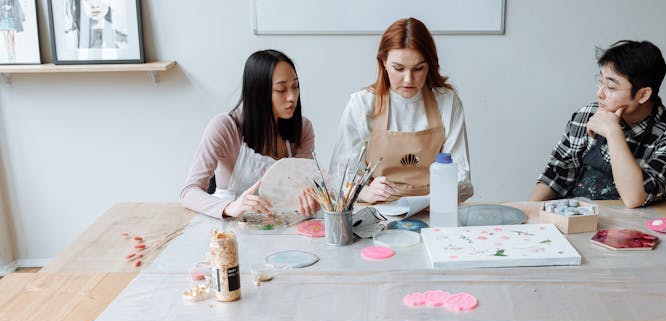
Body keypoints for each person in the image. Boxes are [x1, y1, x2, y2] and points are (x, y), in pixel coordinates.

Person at [530, 40, 666, 208]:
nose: (599, 94)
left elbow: (635, 197)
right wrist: (528, 214)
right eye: (600, 82)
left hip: (635, 227)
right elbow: (556, 174)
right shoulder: (587, 114)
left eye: (610, 86)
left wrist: (614, 133)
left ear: (643, 94)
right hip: (574, 218)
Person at [330, 17, 473, 204]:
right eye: (398, 68)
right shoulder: (362, 104)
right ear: (383, 63)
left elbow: (461, 175)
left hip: (436, 206)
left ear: (429, 65)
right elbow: (339, 177)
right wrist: (366, 193)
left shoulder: (447, 102)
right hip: (379, 211)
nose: (408, 79)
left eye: (418, 68)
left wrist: (432, 198)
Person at [180, 49, 318, 219]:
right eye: (281, 90)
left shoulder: (303, 128)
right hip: (230, 230)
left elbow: (303, 187)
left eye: (295, 87)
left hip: (282, 225)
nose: (292, 97)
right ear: (258, 92)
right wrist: (232, 207)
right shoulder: (225, 127)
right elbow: (189, 193)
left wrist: (309, 198)